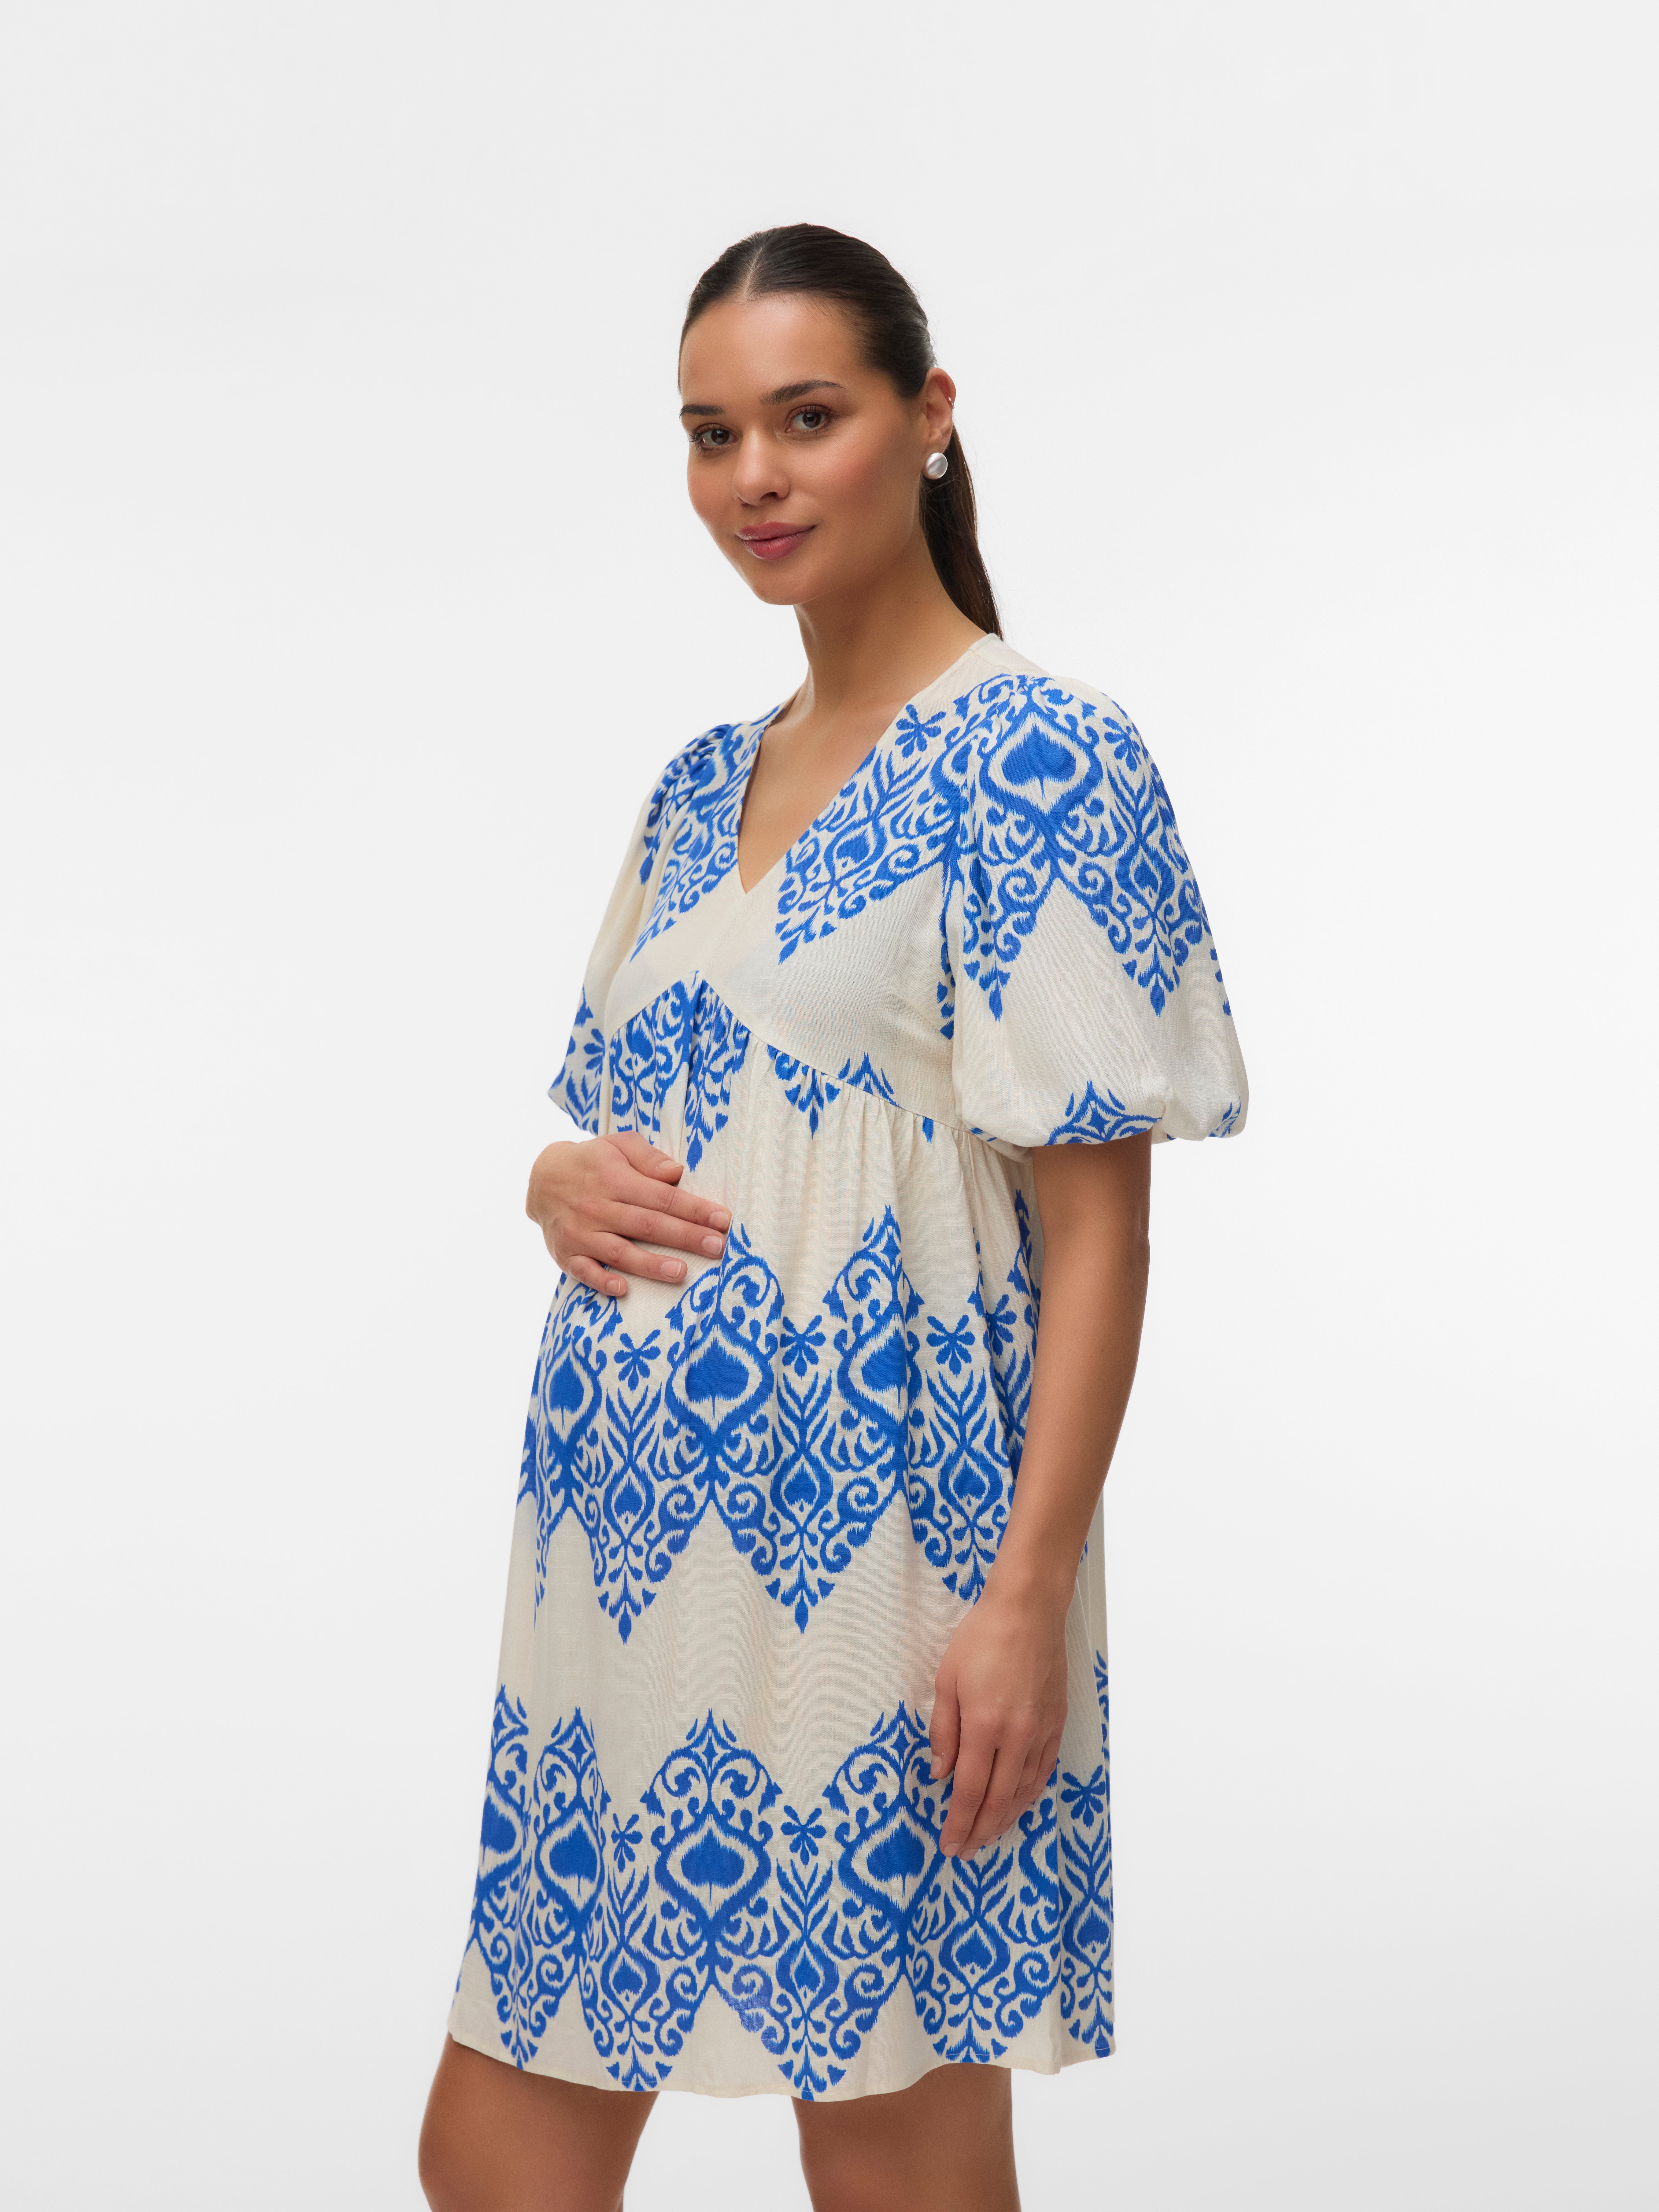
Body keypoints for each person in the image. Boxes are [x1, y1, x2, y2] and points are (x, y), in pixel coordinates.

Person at [419, 222, 1247, 2212]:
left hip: (883, 1554)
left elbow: (1099, 1230)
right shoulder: (693, 783)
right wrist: (547, 1181)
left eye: (805, 418)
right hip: (615, 1571)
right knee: (491, 2150)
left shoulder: (1039, 755)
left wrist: (1023, 1597)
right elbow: (638, 1123)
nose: (753, 478)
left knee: (891, 2150)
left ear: (926, 416)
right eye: (711, 434)